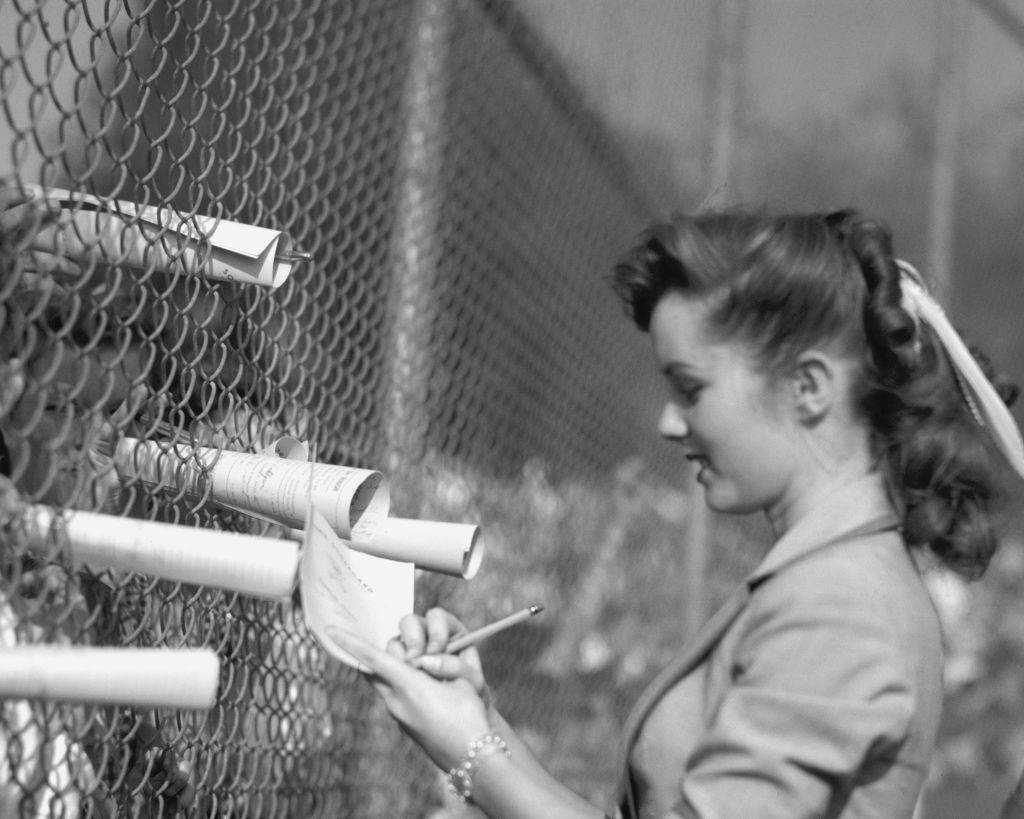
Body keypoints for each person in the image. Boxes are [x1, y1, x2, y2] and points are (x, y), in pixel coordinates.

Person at [329, 209, 1023, 818]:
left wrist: (470, 751)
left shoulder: (840, 607)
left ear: (808, 387)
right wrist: (478, 725)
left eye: (691, 388)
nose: (668, 420)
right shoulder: (821, 579)